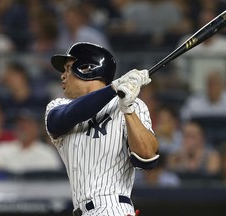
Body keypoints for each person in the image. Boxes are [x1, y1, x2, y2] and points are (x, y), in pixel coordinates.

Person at [45, 42, 159, 216]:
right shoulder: (59, 105)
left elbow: (147, 158)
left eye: (68, 68)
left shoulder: (132, 103)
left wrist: (127, 109)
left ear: (86, 68)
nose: (63, 76)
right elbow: (59, 120)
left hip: (113, 207)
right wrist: (114, 87)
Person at [0, 109, 62, 176]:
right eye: (20, 124)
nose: (23, 128)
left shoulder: (48, 154)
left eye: (28, 124)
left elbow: (53, 184)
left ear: (37, 128)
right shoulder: (1, 150)